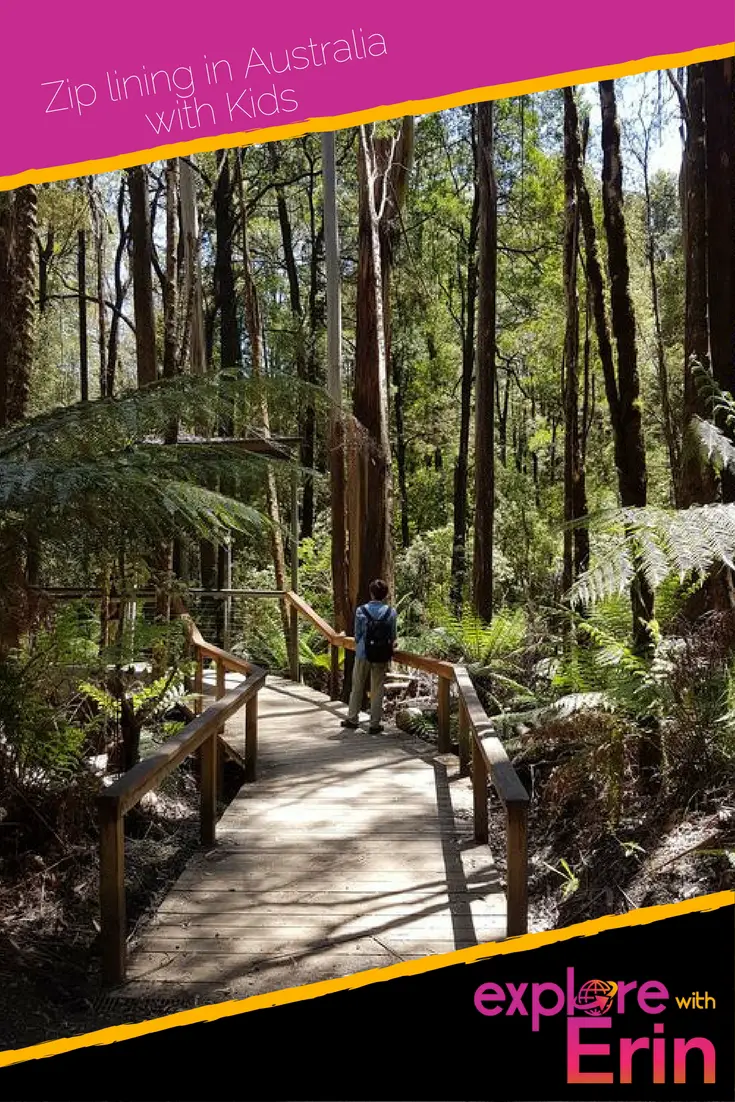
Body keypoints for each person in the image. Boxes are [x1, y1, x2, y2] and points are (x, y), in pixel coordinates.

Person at [341, 578, 398, 734]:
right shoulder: (391, 612)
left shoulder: (361, 611)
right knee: (377, 688)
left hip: (362, 653)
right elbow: (393, 636)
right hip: (381, 655)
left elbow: (358, 635)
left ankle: (352, 719)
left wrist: (363, 644)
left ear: (371, 593)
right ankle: (374, 724)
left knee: (357, 686)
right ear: (385, 594)